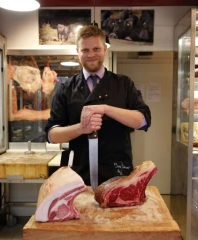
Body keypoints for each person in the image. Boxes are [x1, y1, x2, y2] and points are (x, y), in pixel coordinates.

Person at [45, 25, 151, 186]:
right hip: (79, 173)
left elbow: (143, 121)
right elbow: (52, 135)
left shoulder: (123, 84)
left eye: (96, 49)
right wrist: (81, 128)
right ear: (77, 51)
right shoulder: (66, 89)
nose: (91, 55)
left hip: (117, 170)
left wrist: (106, 109)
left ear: (105, 49)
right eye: (85, 50)